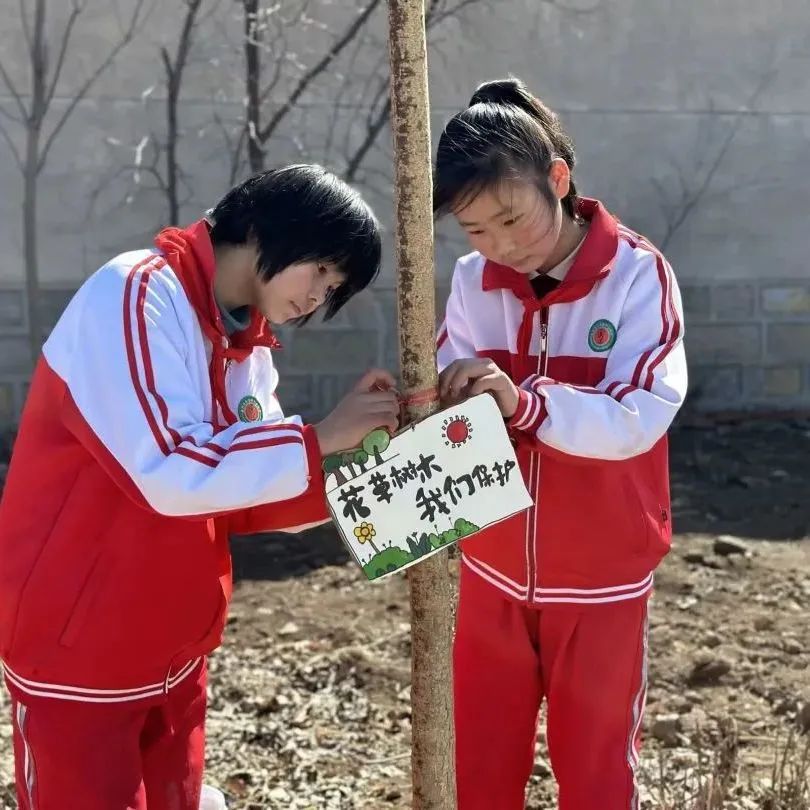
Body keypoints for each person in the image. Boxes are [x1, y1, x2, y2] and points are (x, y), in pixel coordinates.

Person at [0, 164, 399, 810]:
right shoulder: (137, 294)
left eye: (334, 289)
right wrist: (321, 436)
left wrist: (372, 473)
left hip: (173, 646)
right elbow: (170, 469)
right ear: (268, 227)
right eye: (321, 269)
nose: (317, 299)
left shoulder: (246, 344)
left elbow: (247, 490)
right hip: (79, 648)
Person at [434, 78, 688, 809]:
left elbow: (640, 413)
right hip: (490, 568)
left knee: (596, 770)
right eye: (476, 230)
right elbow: (453, 404)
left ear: (557, 178)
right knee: (480, 767)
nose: (501, 246)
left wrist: (524, 403)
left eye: (512, 219)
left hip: (602, 578)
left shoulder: (637, 276)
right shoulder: (472, 282)